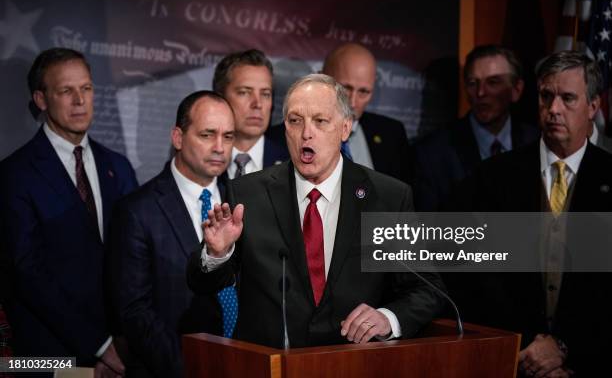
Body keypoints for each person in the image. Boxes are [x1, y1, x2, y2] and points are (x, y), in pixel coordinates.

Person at [187, 74, 445, 348]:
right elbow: (203, 285)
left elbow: (428, 289)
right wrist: (216, 254)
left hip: (351, 364)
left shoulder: (387, 198)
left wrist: (388, 318)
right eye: (295, 121)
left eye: (320, 121)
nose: (306, 133)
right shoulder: (248, 194)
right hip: (270, 366)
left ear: (345, 129)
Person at [465, 51, 612, 377]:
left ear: (593, 107)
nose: (554, 109)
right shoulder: (493, 176)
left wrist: (565, 350)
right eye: (547, 96)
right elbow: (480, 277)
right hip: (514, 359)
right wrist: (530, 346)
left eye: (568, 98)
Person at [0, 48, 138, 376]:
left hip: (123, 352)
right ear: (41, 99)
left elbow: (134, 260)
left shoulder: (117, 167)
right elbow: (28, 273)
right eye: (66, 90)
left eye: (86, 88)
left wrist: (127, 341)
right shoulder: (14, 175)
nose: (79, 100)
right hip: (50, 360)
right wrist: (101, 346)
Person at [107, 91, 234, 377]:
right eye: (207, 135)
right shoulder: (137, 211)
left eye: (228, 137)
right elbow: (135, 311)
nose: (219, 147)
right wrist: (189, 369)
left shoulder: (241, 200)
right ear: (178, 137)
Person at [412, 44, 539, 211]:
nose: (480, 93)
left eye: (493, 82)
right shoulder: (432, 153)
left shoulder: (538, 143)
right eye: (473, 83)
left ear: (516, 89)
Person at [321, 43, 411, 184]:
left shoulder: (392, 135)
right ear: (320, 80)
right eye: (345, 88)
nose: (352, 102)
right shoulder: (288, 137)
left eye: (363, 92)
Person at [212, 49, 288, 178]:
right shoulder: (200, 161)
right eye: (244, 92)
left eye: (265, 94)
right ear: (220, 98)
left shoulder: (291, 166)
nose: (257, 104)